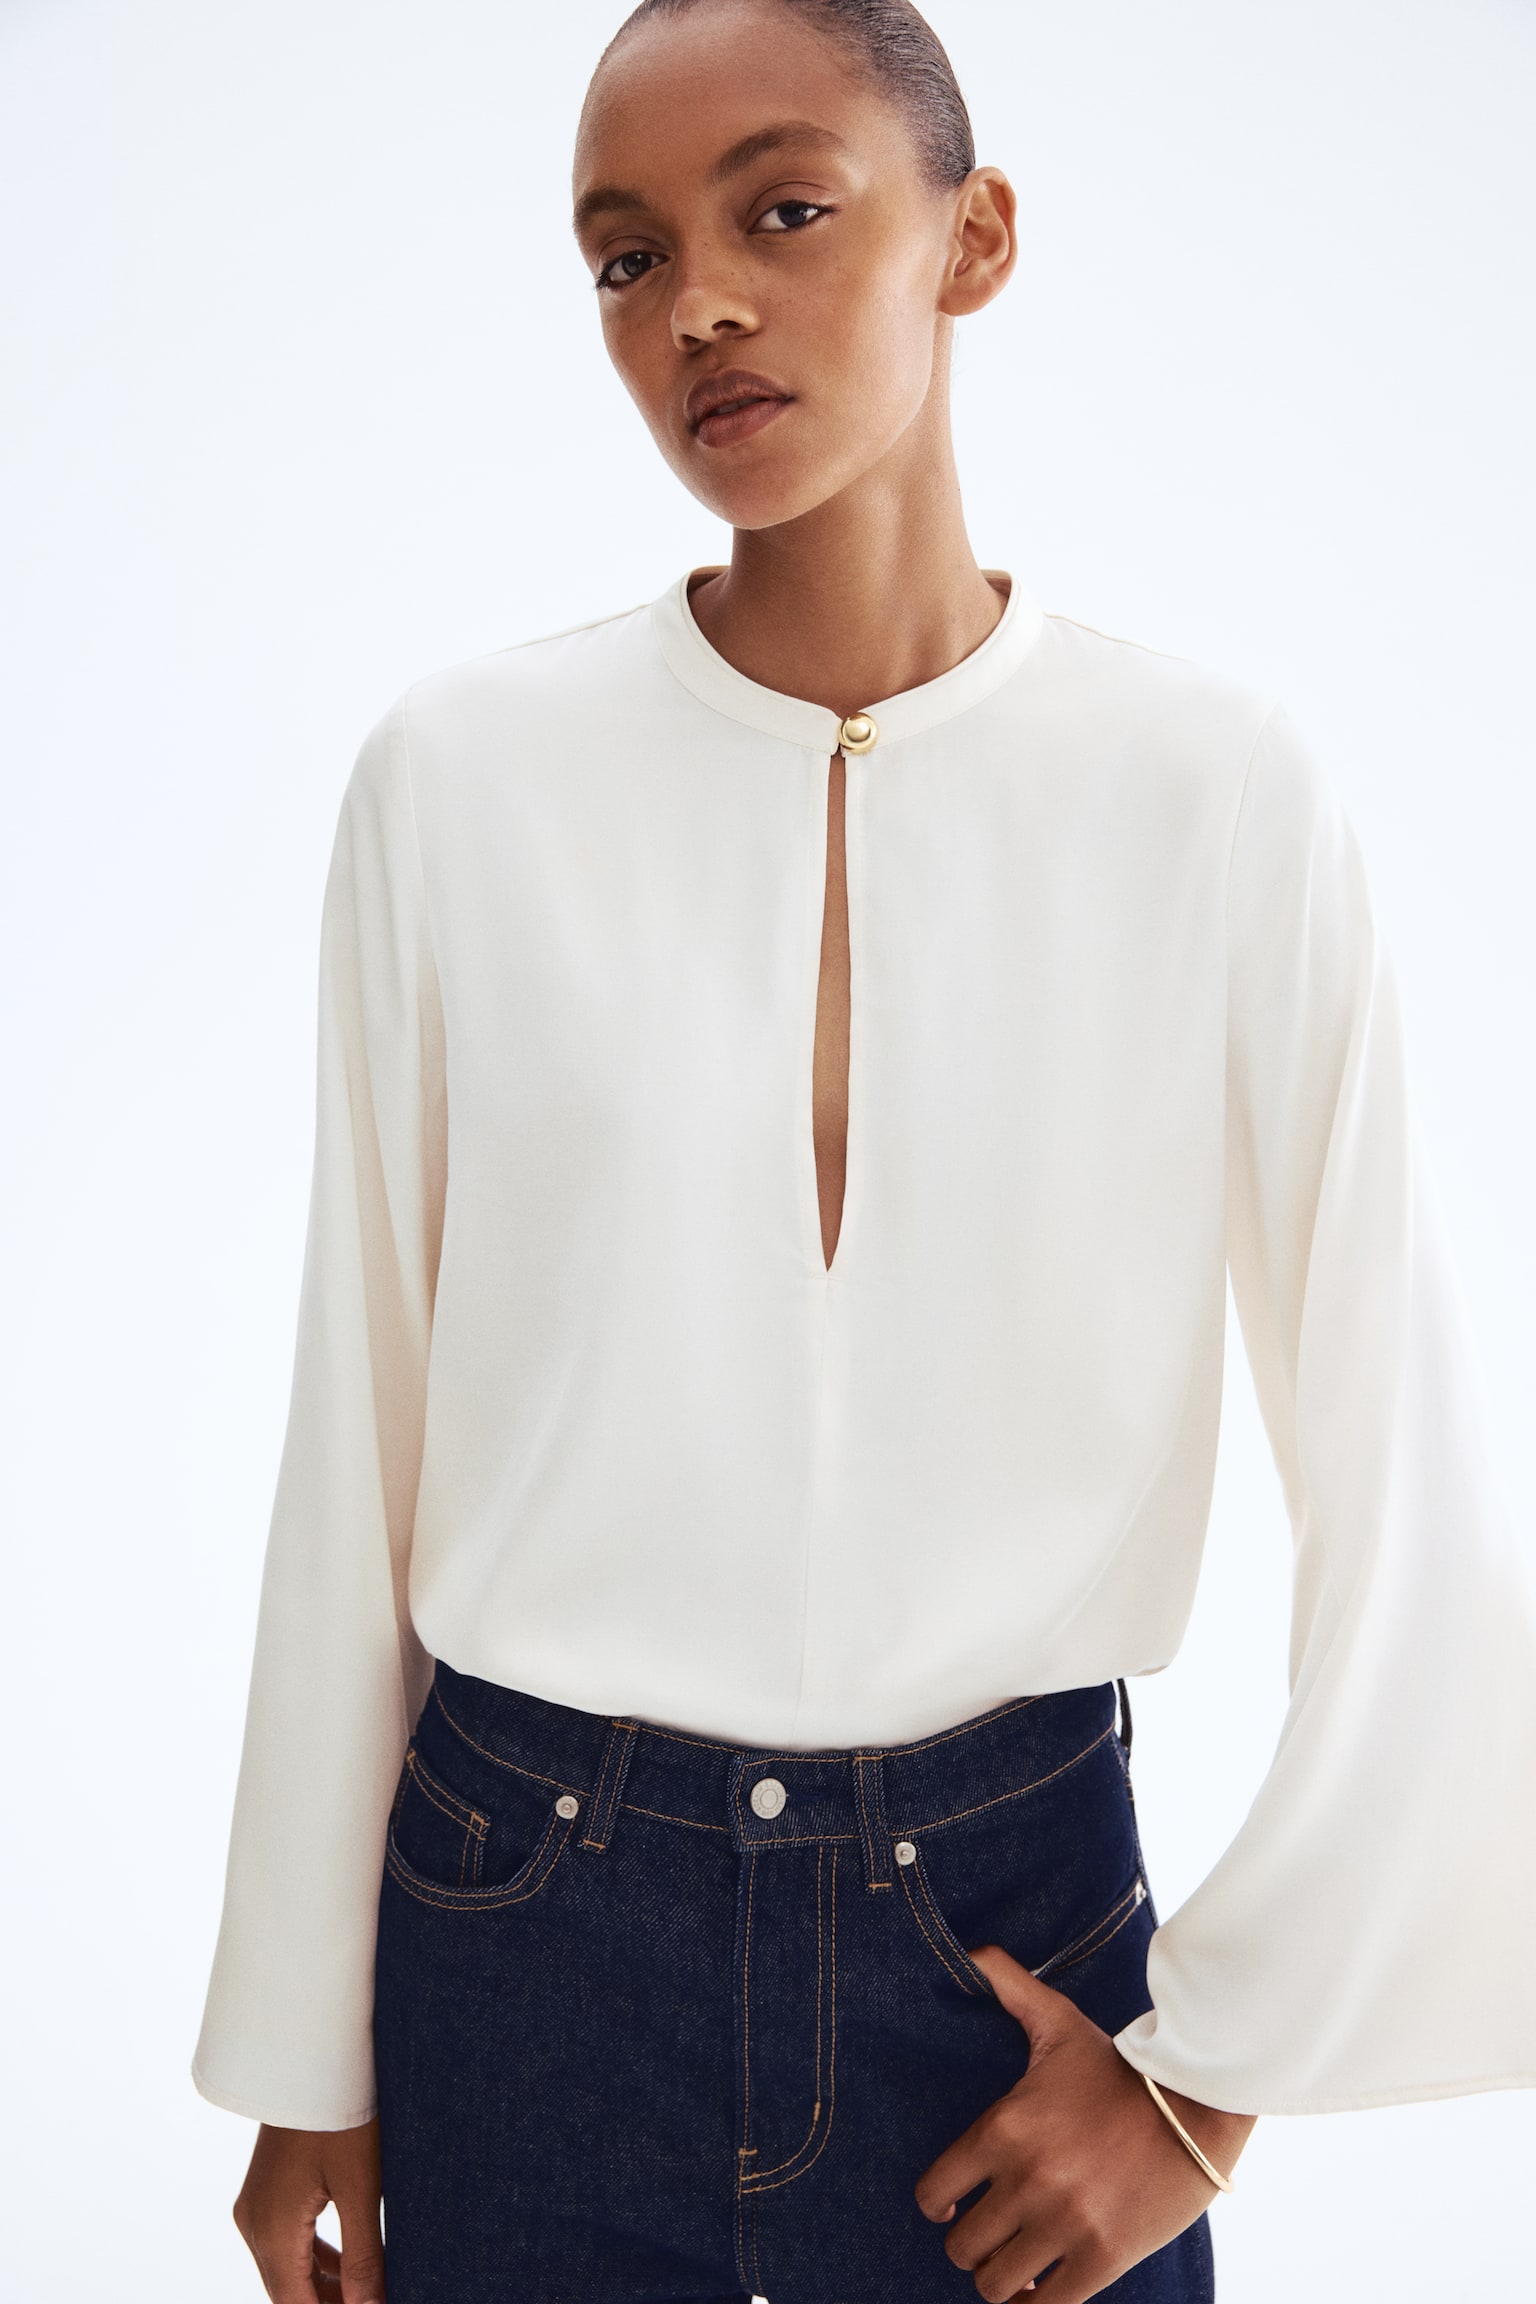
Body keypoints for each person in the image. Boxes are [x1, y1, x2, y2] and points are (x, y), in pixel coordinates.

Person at [193, 3, 1536, 2299]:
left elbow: (1404, 1472)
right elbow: (359, 1436)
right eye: (627, 258)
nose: (698, 306)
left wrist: (1211, 2086)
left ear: (973, 238)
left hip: (1011, 1966)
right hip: (524, 1940)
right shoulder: (463, 785)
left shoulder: (1210, 792)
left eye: (786, 212)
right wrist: (307, 2045)